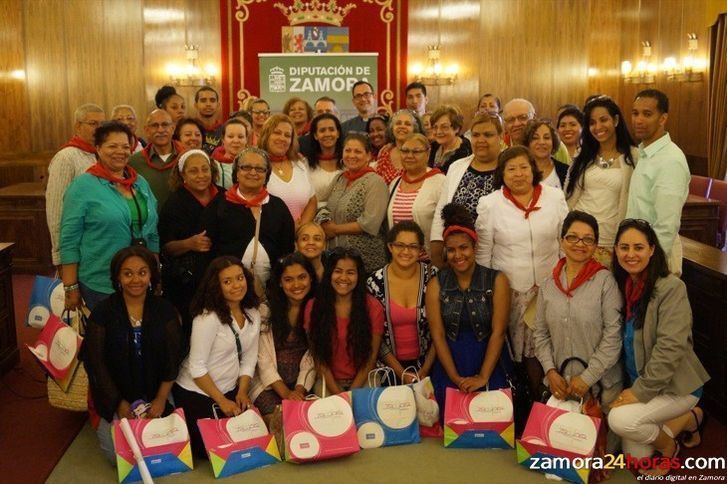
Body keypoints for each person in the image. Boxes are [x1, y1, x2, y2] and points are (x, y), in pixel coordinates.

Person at [608, 219, 709, 476]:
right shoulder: (623, 285)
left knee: (620, 421)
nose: (631, 254)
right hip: (642, 382)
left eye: (638, 247)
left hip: (676, 386)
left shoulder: (671, 288)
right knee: (635, 457)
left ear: (652, 250)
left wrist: (639, 392)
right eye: (624, 247)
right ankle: (690, 419)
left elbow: (670, 349)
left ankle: (669, 447)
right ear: (616, 250)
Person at [475, 146, 568, 396]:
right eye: (511, 169)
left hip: (550, 285)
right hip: (512, 288)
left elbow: (564, 242)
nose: (519, 174)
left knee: (547, 344)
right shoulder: (490, 204)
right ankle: (524, 393)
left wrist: (566, 279)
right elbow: (484, 252)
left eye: (524, 167)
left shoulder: (554, 197)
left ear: (533, 169)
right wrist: (487, 290)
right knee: (520, 349)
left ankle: (545, 393)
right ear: (502, 173)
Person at [83, 246, 183, 464]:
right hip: (116, 393)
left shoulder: (165, 311)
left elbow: (173, 358)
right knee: (119, 457)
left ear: (151, 276)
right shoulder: (103, 312)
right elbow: (96, 364)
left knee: (168, 450)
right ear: (118, 277)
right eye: (127, 273)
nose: (135, 279)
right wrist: (119, 404)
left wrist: (160, 398)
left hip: (156, 389)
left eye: (142, 272)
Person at [533, 211, 623, 450]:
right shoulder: (548, 284)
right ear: (562, 240)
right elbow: (540, 334)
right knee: (557, 453)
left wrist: (587, 378)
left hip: (600, 386)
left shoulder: (606, 282)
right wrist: (550, 371)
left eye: (588, 239)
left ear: (595, 245)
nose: (579, 244)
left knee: (601, 457)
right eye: (572, 237)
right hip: (560, 383)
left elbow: (613, 338)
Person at [60, 121, 159, 310]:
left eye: (125, 146)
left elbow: (152, 232)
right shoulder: (83, 186)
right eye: (112, 146)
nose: (120, 151)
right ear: (98, 148)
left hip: (140, 279)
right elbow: (69, 239)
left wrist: (155, 272)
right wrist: (70, 285)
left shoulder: (140, 183)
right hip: (100, 280)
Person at [427, 203, 511, 417]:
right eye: (452, 250)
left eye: (463, 247)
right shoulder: (437, 283)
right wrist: (454, 378)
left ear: (474, 246)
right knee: (452, 421)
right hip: (450, 361)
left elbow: (498, 332)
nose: (458, 255)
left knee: (492, 419)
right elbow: (437, 334)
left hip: (488, 359)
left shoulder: (497, 280)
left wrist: (483, 377)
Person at [174, 257, 262, 458]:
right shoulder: (207, 318)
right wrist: (222, 401)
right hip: (197, 390)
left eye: (240, 278)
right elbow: (197, 368)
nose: (236, 285)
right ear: (217, 286)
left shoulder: (253, 313)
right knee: (211, 450)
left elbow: (249, 359)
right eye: (227, 281)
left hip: (230, 388)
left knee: (247, 439)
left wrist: (242, 392)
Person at [202, 147, 295, 288]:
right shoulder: (219, 204)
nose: (253, 172)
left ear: (267, 175)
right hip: (228, 287)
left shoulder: (278, 206)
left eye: (259, 169)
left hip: (271, 289)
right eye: (246, 167)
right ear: (237, 173)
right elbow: (208, 249)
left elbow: (287, 249)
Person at [565, 96, 637, 265]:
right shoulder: (583, 154)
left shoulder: (633, 156)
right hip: (578, 236)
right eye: (592, 122)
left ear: (616, 120)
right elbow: (568, 193)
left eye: (603, 120)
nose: (598, 127)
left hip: (610, 238)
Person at [159, 149, 223, 336]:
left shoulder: (225, 197)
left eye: (205, 169)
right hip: (186, 284)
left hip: (221, 279)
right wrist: (188, 244)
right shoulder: (174, 203)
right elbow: (165, 248)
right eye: (194, 171)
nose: (201, 175)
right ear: (182, 175)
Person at [305, 247, 384, 394]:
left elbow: (371, 357)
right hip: (327, 381)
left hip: (364, 378)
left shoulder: (373, 307)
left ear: (359, 276)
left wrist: (352, 392)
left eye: (350, 272)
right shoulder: (314, 307)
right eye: (338, 271)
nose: (343, 277)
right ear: (329, 274)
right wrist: (338, 394)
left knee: (366, 415)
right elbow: (318, 358)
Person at [627, 89, 689, 275]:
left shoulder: (670, 160)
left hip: (654, 262)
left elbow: (666, 225)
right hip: (638, 254)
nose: (638, 120)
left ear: (662, 119)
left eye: (647, 114)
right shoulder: (646, 153)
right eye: (635, 113)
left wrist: (649, 266)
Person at [367, 221, 437, 383]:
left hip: (430, 366)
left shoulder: (433, 277)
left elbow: (441, 330)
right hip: (388, 369)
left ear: (421, 250)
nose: (406, 251)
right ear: (390, 247)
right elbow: (375, 336)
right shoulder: (374, 282)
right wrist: (401, 373)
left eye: (413, 246)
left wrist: (425, 370)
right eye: (400, 245)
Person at [430, 114, 503, 268]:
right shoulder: (457, 166)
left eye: (488, 135)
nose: (481, 140)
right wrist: (436, 254)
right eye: (476, 135)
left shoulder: (508, 169)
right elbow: (441, 212)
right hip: (458, 257)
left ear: (500, 137)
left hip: (497, 258)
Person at [251, 253, 317, 417]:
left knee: (310, 419)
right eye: (288, 279)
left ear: (311, 278)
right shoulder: (266, 311)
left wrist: (298, 390)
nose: (296, 285)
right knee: (281, 420)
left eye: (302, 277)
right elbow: (262, 359)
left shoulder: (317, 310)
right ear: (280, 282)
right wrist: (287, 394)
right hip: (267, 384)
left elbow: (313, 356)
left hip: (302, 384)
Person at [46, 103, 105, 268]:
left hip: (98, 242)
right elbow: (55, 209)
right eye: (93, 124)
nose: (99, 129)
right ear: (78, 126)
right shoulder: (66, 157)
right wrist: (59, 255)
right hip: (76, 244)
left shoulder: (101, 154)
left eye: (102, 124)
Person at [323, 133, 388, 273]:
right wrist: (322, 222)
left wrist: (334, 229)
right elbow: (322, 204)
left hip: (365, 262)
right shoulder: (340, 178)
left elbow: (370, 223)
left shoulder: (375, 182)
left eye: (358, 151)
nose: (351, 155)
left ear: (369, 156)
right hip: (336, 260)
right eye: (348, 150)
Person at [386, 133, 445, 258]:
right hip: (400, 260)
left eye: (416, 151)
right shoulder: (394, 183)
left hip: (429, 261)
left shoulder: (440, 182)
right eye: (405, 151)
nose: (409, 156)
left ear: (428, 154)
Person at [259, 114, 317, 225]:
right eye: (277, 133)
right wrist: (287, 231)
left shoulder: (300, 164)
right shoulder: (256, 165)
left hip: (300, 235)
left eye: (287, 135)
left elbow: (312, 201)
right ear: (266, 135)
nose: (282, 138)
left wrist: (300, 228)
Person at [128, 109, 185, 207]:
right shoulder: (134, 162)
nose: (160, 130)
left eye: (165, 125)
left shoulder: (187, 157)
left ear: (173, 128)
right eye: (155, 125)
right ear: (147, 130)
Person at [375, 110, 423, 184]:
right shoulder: (385, 153)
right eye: (398, 123)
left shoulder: (420, 154)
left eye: (407, 124)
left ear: (415, 129)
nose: (402, 126)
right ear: (392, 128)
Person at [306, 113, 343, 208]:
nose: (327, 134)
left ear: (338, 133)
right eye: (322, 130)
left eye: (331, 129)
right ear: (315, 135)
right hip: (314, 217)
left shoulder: (349, 161)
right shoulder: (305, 164)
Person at [523, 119, 569, 189]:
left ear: (553, 142)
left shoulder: (566, 171)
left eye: (546, 138)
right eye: (535, 138)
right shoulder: (520, 171)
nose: (541, 142)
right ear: (527, 143)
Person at [428, 105, 472, 173]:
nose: (438, 131)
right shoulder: (433, 147)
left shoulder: (466, 153)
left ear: (456, 128)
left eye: (444, 127)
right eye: (435, 127)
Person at [211, 119, 248, 189]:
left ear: (246, 139)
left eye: (240, 137)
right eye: (230, 136)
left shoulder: (255, 163)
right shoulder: (213, 165)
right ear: (223, 140)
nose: (236, 141)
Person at [193, 86, 224, 153]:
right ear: (196, 105)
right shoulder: (187, 128)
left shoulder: (225, 130)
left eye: (212, 100)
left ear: (218, 105)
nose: (208, 104)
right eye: (203, 100)